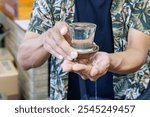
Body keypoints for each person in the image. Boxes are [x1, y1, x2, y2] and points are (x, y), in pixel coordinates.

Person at [17, 0, 150, 100]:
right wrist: (46, 40)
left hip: (130, 97)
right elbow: (24, 59)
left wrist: (109, 60)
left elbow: (137, 52)